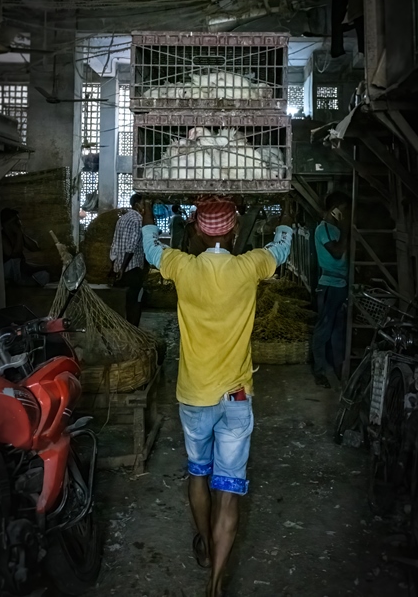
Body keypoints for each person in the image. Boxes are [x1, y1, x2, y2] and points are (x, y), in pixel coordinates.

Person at [142, 195, 293, 597]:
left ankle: (205, 547)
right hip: (236, 398)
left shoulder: (181, 266)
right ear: (232, 229)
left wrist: (144, 214)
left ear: (196, 230)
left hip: (194, 396)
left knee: (198, 473)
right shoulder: (250, 266)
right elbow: (281, 246)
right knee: (229, 490)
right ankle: (215, 583)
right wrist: (287, 219)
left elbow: (149, 247)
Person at [312, 191, 351, 388]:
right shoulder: (323, 229)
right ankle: (319, 371)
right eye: (343, 210)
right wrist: (345, 230)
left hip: (340, 285)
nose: (346, 214)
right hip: (329, 285)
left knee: (338, 330)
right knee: (324, 329)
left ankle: (337, 368)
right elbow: (336, 253)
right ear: (334, 210)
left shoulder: (334, 229)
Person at [110, 193, 147, 327]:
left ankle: (125, 328)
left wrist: (115, 267)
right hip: (132, 268)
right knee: (136, 301)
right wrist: (123, 267)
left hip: (120, 267)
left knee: (124, 303)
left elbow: (114, 245)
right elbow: (131, 246)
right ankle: (133, 329)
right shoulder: (138, 220)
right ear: (137, 205)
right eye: (144, 204)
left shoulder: (122, 219)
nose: (146, 207)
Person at [1, 208, 50, 287]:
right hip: (10, 270)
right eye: (15, 221)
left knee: (44, 274)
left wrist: (21, 234)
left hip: (22, 267)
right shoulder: (2, 237)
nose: (19, 223)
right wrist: (19, 235)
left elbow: (35, 248)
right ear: (8, 224)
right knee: (15, 262)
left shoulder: (17, 235)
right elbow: (14, 255)